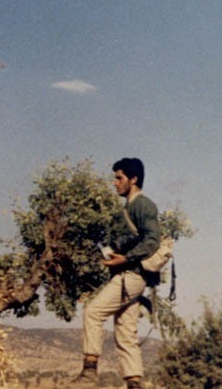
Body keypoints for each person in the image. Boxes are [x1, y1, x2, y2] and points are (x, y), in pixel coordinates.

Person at [75, 157, 161, 389]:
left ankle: (89, 372)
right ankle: (134, 382)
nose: (114, 183)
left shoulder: (143, 206)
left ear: (133, 179)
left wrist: (126, 258)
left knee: (93, 312)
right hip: (127, 276)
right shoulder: (128, 208)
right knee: (125, 330)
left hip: (131, 276)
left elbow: (152, 240)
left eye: (119, 178)